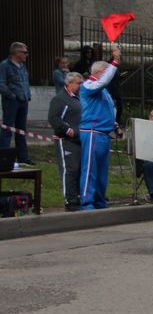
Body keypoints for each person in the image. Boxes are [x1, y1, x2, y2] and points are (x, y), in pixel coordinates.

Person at [78, 47, 121, 210]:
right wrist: (115, 61)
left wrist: (115, 125)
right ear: (100, 72)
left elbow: (110, 110)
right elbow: (103, 81)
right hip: (91, 132)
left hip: (103, 133)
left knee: (102, 172)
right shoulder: (88, 85)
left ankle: (99, 200)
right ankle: (87, 202)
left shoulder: (103, 91)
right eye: (107, 71)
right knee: (90, 170)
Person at [47, 71, 83, 211]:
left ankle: (78, 196)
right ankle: (70, 198)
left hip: (79, 140)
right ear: (69, 83)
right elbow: (54, 118)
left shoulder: (78, 98)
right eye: (79, 83)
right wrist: (69, 131)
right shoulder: (60, 99)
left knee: (78, 169)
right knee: (70, 169)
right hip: (67, 140)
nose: (81, 86)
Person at [0, 42, 32, 165]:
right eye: (24, 52)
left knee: (21, 130)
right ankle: (3, 159)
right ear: (16, 52)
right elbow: (1, 84)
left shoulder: (22, 66)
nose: (26, 55)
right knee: (7, 130)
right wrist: (12, 96)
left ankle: (23, 158)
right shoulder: (4, 65)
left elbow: (25, 82)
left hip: (23, 101)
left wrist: (28, 95)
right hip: (11, 102)